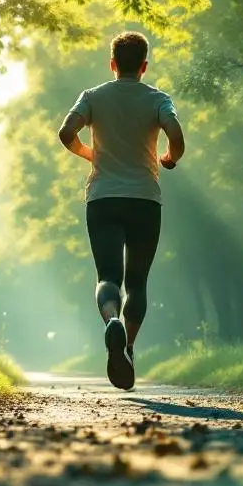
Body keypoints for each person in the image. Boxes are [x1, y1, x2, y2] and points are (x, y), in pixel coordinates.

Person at [56, 31, 186, 390]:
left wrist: (89, 154)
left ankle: (110, 318)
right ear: (144, 66)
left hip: (103, 198)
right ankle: (127, 346)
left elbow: (67, 132)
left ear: (112, 64)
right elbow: (175, 134)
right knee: (138, 282)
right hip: (145, 199)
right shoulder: (158, 99)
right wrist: (169, 158)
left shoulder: (93, 97)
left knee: (107, 278)